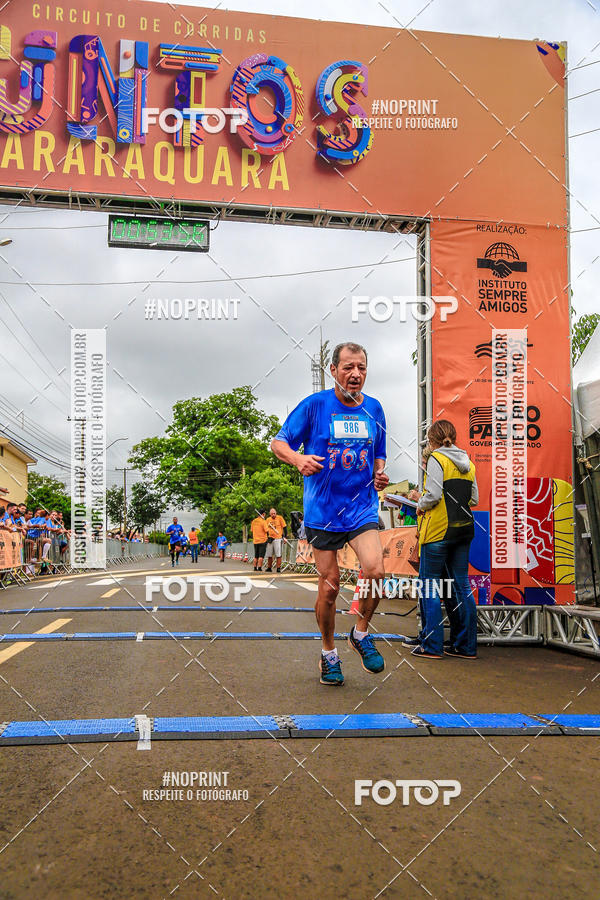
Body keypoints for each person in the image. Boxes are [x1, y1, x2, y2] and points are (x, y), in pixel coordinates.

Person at [271, 341, 389, 686]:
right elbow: (279, 443)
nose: (356, 374)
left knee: (375, 570)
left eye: (362, 368)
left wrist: (379, 473)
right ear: (334, 370)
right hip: (323, 511)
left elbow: (378, 451)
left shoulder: (375, 409)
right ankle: (328, 653)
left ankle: (361, 633)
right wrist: (299, 459)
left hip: (361, 506)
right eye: (349, 367)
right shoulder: (314, 406)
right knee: (330, 587)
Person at [414, 419, 478, 660]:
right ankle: (466, 646)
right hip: (464, 529)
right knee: (462, 585)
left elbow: (432, 495)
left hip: (439, 530)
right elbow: (474, 499)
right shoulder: (468, 463)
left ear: (432, 440)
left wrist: (420, 504)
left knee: (430, 585)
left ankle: (432, 646)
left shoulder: (436, 459)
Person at [264, 507, 287, 573]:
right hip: (270, 538)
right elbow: (265, 529)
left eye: (274, 513)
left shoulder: (280, 518)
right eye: (272, 514)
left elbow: (284, 528)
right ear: (270, 514)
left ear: (276, 513)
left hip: (278, 538)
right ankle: (269, 567)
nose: (273, 515)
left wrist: (285, 537)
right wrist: (267, 537)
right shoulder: (268, 519)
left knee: (278, 554)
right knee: (269, 554)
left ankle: (278, 568)